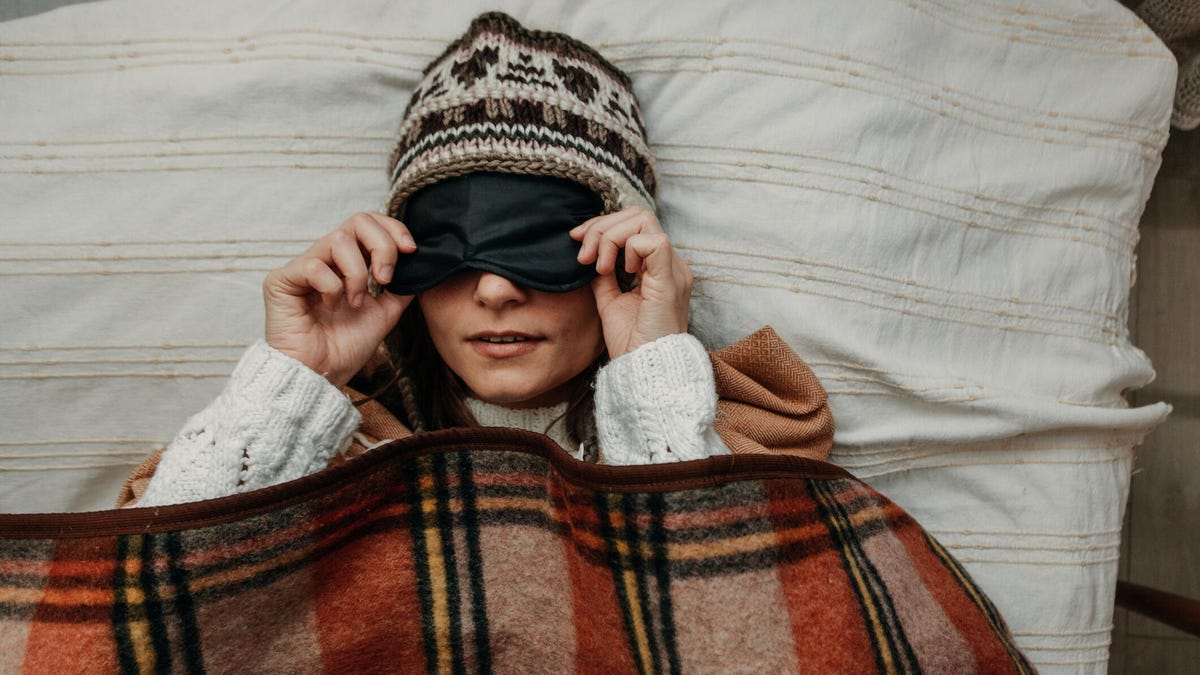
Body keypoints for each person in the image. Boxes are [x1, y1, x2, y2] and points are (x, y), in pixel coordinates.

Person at [119, 11, 833, 508]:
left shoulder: (747, 433)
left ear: (625, 255)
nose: (494, 288)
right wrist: (296, 381)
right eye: (452, 249)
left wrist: (653, 374)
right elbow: (132, 602)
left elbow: (744, 619)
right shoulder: (303, 443)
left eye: (540, 244)